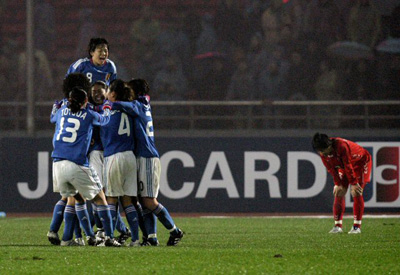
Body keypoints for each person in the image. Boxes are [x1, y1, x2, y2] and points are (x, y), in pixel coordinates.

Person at [112, 78, 184, 246]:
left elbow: (123, 105)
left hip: (147, 158)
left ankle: (175, 231)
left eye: (129, 89)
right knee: (143, 201)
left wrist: (108, 103)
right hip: (140, 157)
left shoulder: (139, 105)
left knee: (149, 201)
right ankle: (151, 237)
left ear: (135, 92)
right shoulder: (142, 104)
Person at [50, 82, 121, 247]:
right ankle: (109, 238)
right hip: (76, 164)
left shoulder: (61, 111)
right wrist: (107, 108)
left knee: (76, 199)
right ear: (85, 101)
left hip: (57, 164)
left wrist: (55, 106)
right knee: (100, 199)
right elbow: (105, 120)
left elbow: (52, 117)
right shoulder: (88, 114)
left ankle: (68, 239)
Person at [99, 79, 140, 247]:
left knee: (111, 199)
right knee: (128, 200)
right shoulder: (130, 110)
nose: (106, 93)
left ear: (113, 94)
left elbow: (103, 130)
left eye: (108, 90)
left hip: (114, 156)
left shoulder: (108, 110)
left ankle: (109, 237)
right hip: (130, 157)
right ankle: (136, 239)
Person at [312, 133, 372, 234]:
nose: (321, 153)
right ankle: (338, 226)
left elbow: (348, 165)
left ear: (329, 146)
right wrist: (337, 183)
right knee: (339, 191)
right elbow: (331, 169)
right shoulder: (323, 153)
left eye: (322, 150)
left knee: (356, 191)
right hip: (344, 165)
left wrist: (353, 183)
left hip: (360, 163)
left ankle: (356, 227)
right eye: (319, 151)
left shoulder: (341, 146)